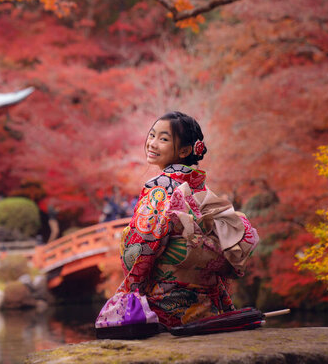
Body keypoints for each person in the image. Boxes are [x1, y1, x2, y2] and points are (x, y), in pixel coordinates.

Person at [97, 111, 259, 332]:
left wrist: (132, 289)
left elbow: (142, 243)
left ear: (184, 150)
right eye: (152, 135)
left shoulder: (159, 187)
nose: (152, 143)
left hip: (166, 302)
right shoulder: (200, 187)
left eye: (163, 139)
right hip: (205, 304)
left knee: (130, 235)